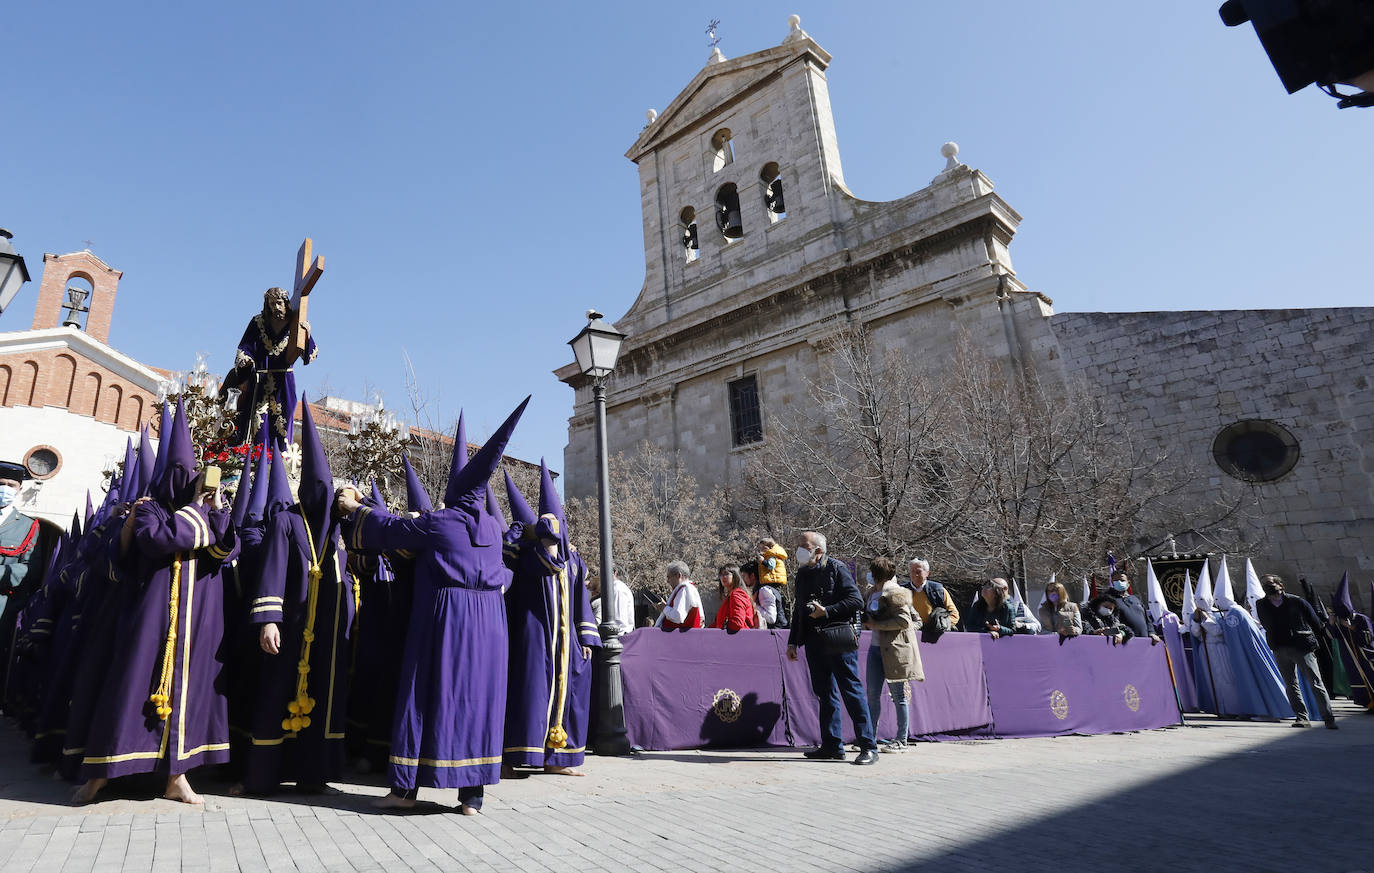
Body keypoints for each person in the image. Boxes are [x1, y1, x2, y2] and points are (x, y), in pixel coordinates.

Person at [339, 397, 528, 814]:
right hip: (490, 628)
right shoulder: (493, 532)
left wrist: (354, 508)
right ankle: (472, 798)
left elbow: (391, 529)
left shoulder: (443, 522)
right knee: (478, 702)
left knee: (423, 695)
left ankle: (404, 792)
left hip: (447, 622)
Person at [72, 398, 240, 806]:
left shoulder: (202, 511)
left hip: (196, 620)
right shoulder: (148, 512)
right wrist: (197, 510)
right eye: (179, 474)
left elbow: (225, 551)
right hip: (150, 620)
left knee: (192, 693)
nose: (188, 480)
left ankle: (177, 778)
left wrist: (215, 509)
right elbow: (159, 541)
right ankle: (100, 775)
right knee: (127, 689)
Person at [241, 401, 354, 796]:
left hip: (326, 634)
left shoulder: (337, 533)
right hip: (290, 629)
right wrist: (268, 620)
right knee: (276, 695)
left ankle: (313, 774)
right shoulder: (287, 522)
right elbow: (271, 569)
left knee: (324, 700)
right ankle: (263, 776)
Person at [501, 461, 600, 779]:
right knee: (527, 693)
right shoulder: (526, 554)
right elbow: (507, 549)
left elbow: (580, 600)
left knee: (568, 693)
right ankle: (510, 756)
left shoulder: (574, 559)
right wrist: (525, 532)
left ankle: (558, 757)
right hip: (533, 636)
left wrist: (586, 636)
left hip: (566, 640)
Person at [786, 532, 878, 765]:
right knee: (825, 694)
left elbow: (856, 601)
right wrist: (793, 641)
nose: (799, 551)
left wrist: (826, 611)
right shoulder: (803, 574)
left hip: (839, 641)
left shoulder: (837, 569)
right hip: (814, 643)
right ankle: (831, 746)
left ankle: (868, 746)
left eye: (803, 546)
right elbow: (799, 610)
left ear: (819, 550)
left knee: (851, 691)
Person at [220, 286, 317, 445]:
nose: (276, 307)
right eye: (272, 304)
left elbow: (311, 354)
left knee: (282, 422)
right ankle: (254, 457)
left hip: (284, 383)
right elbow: (245, 347)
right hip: (259, 382)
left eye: (279, 303)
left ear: (286, 303)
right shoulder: (258, 322)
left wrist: (306, 335)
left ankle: (279, 460)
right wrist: (245, 359)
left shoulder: (295, 323)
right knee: (257, 423)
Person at [1255, 575, 1337, 729]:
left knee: (1315, 683)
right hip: (1280, 647)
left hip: (1301, 647)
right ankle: (1301, 718)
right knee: (1291, 685)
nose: (1268, 586)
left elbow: (1316, 623)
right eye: (1265, 584)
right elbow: (1266, 623)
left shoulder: (1297, 601)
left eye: (1271, 583)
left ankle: (1328, 717)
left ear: (1281, 585)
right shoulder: (1261, 604)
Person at [0, 460, 51, 700]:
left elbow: (30, 570)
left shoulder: (29, 527)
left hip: (4, 606)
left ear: (19, 489)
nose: (5, 488)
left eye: (10, 484)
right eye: (1, 483)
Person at [862, 557, 922, 751]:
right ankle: (869, 738)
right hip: (875, 650)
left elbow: (905, 621)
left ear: (878, 574)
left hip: (894, 651)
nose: (868, 575)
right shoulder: (871, 592)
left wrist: (876, 625)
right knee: (872, 695)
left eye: (871, 571)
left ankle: (901, 739)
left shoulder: (896, 592)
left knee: (898, 696)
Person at [904, 558, 959, 634]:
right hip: (909, 634)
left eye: (918, 571)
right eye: (912, 571)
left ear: (927, 573)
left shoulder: (938, 590)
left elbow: (954, 615)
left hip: (934, 636)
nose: (915, 575)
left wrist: (942, 625)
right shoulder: (901, 591)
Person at [1106, 572, 1160, 643]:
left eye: (1122, 580)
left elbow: (1147, 619)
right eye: (1116, 581)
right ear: (1112, 583)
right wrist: (1117, 632)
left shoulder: (1135, 599)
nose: (1119, 582)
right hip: (1124, 642)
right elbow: (1106, 622)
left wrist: (1152, 633)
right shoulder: (1107, 600)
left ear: (1128, 583)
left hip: (1145, 642)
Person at [655, 561, 703, 630]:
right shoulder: (691, 588)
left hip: (679, 637)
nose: (667, 581)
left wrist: (664, 608)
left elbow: (678, 616)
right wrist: (666, 606)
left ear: (678, 575)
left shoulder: (684, 590)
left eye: (669, 577)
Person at [589, 565, 635, 636]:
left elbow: (620, 622)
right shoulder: (612, 589)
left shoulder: (617, 590)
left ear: (614, 572)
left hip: (620, 638)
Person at [711, 565, 757, 632]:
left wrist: (722, 629)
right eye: (721, 575)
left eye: (726, 574)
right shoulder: (732, 594)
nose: (723, 577)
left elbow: (737, 623)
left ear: (735, 576)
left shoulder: (737, 594)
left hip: (737, 638)